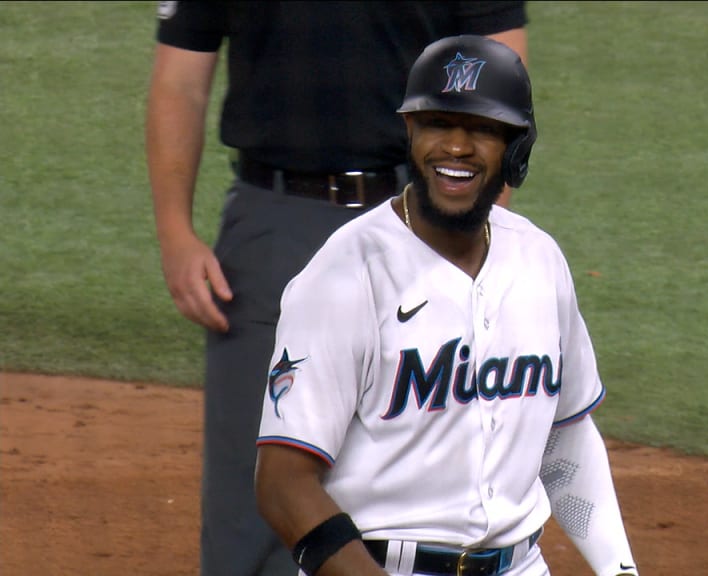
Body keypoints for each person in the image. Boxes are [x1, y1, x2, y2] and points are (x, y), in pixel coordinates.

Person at [145, 3, 527, 575]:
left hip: (418, 213)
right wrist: (176, 234)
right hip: (273, 223)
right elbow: (180, 79)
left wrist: (471, 232)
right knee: (257, 482)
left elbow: (503, 73)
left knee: (419, 465)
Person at [254, 35, 640, 576]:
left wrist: (619, 569)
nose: (456, 147)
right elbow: (281, 483)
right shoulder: (344, 277)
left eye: (482, 129)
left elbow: (564, 436)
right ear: (409, 132)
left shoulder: (540, 261)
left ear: (516, 146)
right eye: (437, 123)